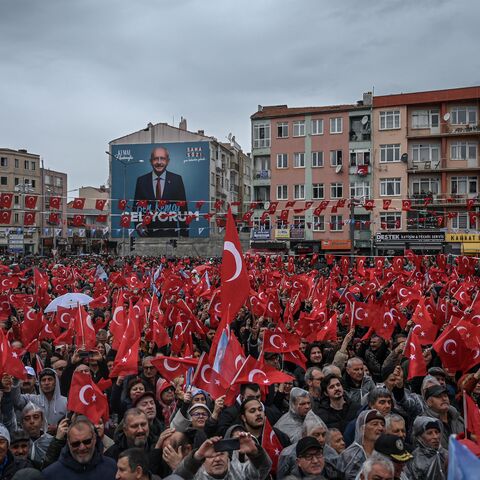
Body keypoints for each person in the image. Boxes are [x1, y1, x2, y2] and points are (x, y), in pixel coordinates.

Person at [134, 146, 188, 238]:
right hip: (147, 235)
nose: (159, 162)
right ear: (151, 161)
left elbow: (183, 209)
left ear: (168, 161)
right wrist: (139, 225)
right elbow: (136, 207)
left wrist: (184, 235)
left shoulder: (177, 180)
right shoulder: (141, 180)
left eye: (162, 158)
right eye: (155, 159)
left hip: (171, 234)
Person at [42, 415, 117, 479]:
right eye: (76, 444)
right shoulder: (51, 475)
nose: (82, 448)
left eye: (87, 441)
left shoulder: (112, 468)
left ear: (94, 439)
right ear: (68, 442)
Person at [172, 432, 272, 480]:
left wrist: (255, 453)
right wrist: (197, 456)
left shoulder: (241, 472)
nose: (217, 459)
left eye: (221, 454)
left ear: (228, 456)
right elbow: (177, 477)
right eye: (211, 457)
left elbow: (263, 469)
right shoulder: (195, 477)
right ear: (203, 460)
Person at [336, 410, 385, 480]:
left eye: (382, 425)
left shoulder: (385, 453)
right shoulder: (350, 455)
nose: (380, 428)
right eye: (375, 424)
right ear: (362, 429)